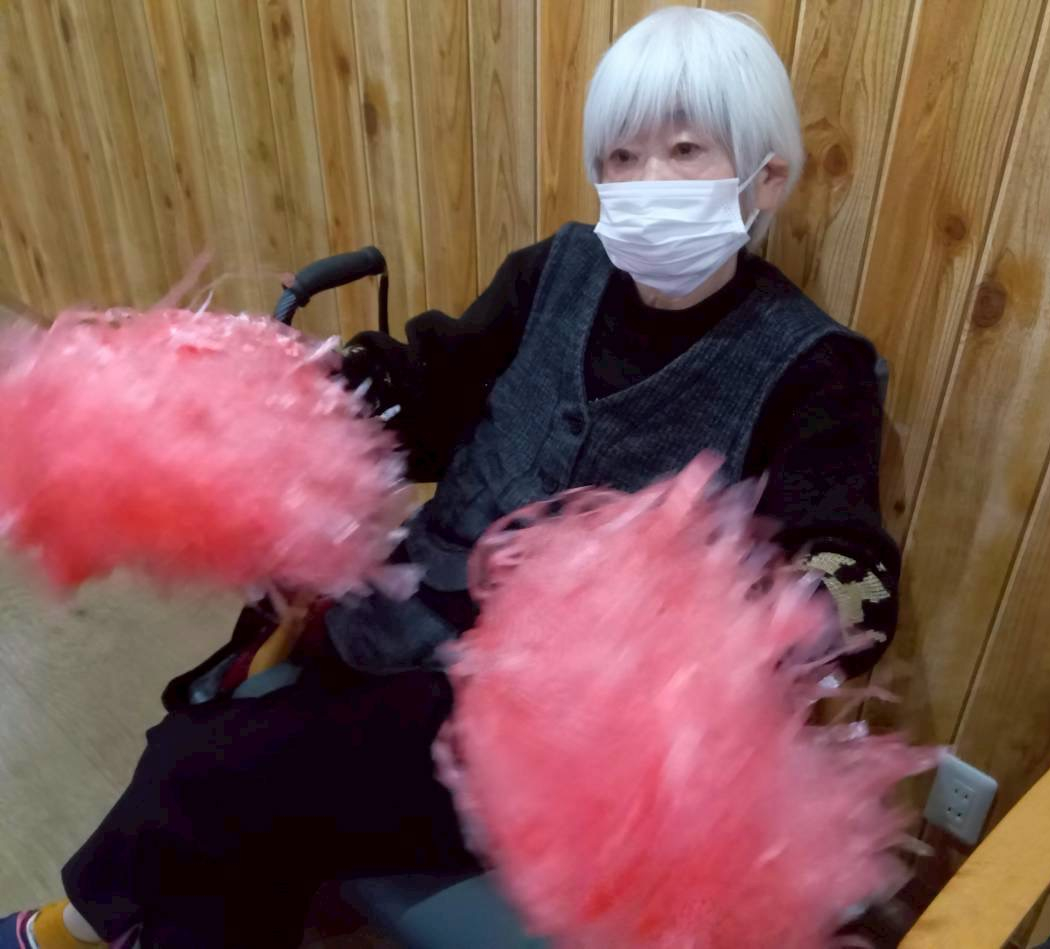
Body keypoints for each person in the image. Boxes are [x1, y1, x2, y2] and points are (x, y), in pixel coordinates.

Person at [2, 8, 899, 948]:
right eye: (621, 158)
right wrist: (292, 405)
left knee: (211, 771)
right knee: (221, 779)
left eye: (683, 151)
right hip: (406, 608)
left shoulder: (812, 366)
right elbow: (433, 392)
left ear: (766, 177)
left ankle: (67, 931)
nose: (646, 182)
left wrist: (775, 630)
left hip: (536, 730)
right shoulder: (557, 270)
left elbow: (848, 562)